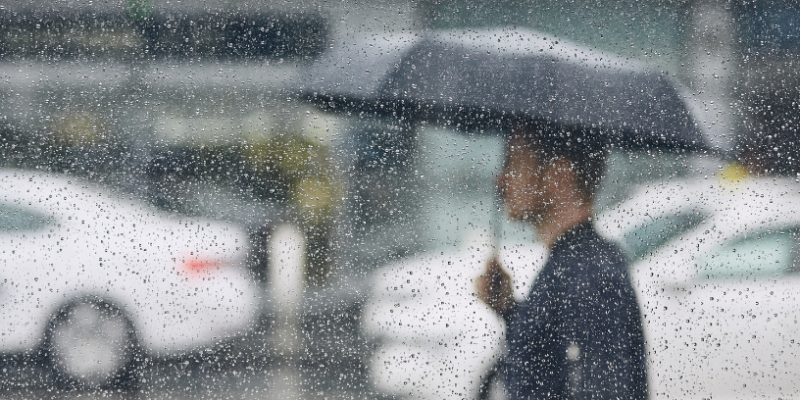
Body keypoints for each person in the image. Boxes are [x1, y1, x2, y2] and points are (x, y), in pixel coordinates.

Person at [476, 121, 648, 400]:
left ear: (558, 175)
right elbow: (551, 366)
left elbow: (600, 390)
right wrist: (509, 309)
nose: (500, 180)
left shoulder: (588, 274)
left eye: (513, 163)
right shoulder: (573, 263)